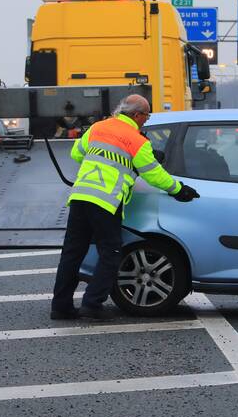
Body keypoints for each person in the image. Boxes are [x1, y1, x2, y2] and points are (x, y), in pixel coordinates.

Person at [51, 94, 199, 321]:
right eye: (146, 117)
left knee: (72, 252)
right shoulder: (137, 140)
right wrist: (178, 189)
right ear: (137, 114)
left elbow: (76, 154)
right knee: (111, 252)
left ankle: (60, 307)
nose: (146, 121)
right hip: (106, 201)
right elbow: (154, 174)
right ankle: (92, 304)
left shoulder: (98, 128)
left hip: (80, 196)